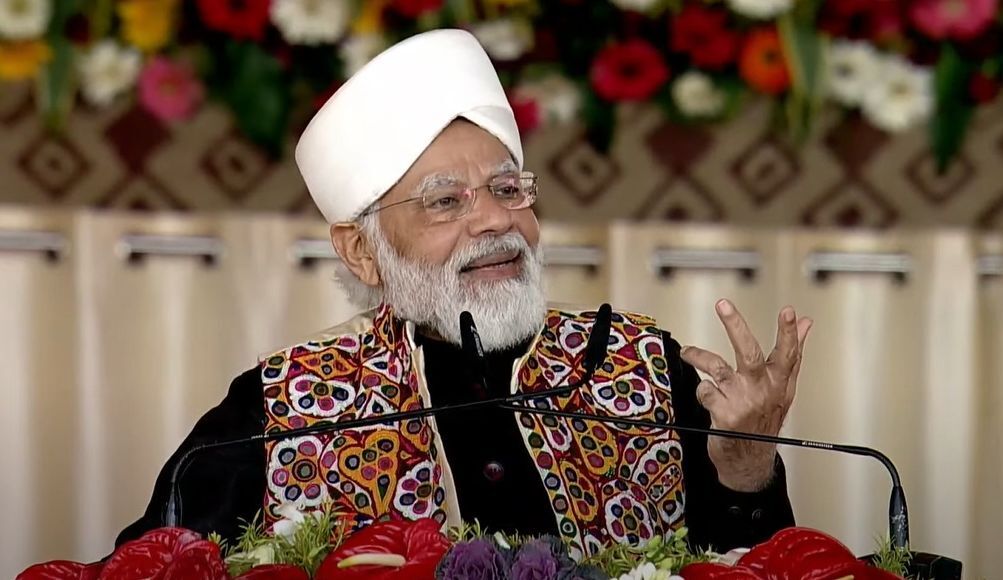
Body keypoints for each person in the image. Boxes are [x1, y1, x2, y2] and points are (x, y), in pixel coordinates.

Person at [118, 29, 812, 559]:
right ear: (362, 251)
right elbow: (145, 568)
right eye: (445, 201)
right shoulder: (281, 408)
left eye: (508, 189)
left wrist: (745, 465)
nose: (495, 221)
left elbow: (760, 567)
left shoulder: (644, 366)